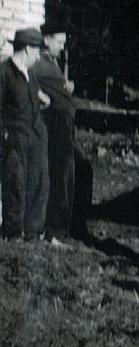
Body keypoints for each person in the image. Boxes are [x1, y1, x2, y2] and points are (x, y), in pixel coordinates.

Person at [30, 24, 81, 243]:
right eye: (59, 42)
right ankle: (54, 230)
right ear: (47, 40)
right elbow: (54, 92)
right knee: (60, 175)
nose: (62, 47)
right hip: (55, 127)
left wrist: (64, 87)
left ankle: (66, 228)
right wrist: (65, 87)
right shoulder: (41, 64)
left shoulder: (51, 62)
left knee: (72, 173)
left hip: (63, 126)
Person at [0, 28, 50, 242]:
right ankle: (13, 233)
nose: (39, 56)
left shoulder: (30, 75)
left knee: (38, 182)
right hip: (15, 137)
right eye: (37, 51)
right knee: (15, 184)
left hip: (35, 134)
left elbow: (35, 97)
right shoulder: (4, 72)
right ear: (27, 49)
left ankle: (33, 232)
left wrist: (43, 99)